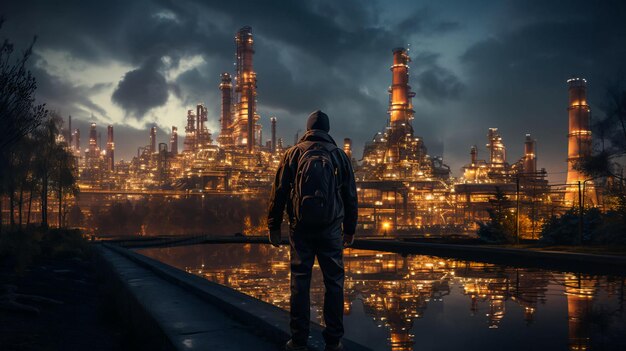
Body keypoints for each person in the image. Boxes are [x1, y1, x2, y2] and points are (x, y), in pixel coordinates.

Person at [267, 110, 358, 351]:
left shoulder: (293, 154)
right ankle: (333, 340)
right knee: (334, 284)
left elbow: (279, 193)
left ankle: (298, 341)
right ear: (327, 130)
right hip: (331, 229)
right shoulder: (339, 155)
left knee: (299, 283)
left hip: (300, 229)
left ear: (308, 129)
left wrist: (273, 227)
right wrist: (349, 229)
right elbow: (350, 196)